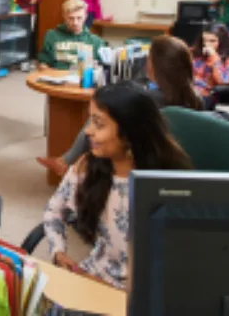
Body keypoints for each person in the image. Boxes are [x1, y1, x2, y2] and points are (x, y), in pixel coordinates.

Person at [43, 81, 192, 289]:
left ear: (130, 133)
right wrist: (58, 252)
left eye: (99, 123)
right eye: (90, 121)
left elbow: (183, 259)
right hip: (96, 276)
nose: (88, 131)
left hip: (148, 292)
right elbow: (53, 212)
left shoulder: (167, 181)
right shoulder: (87, 167)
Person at [37, 35, 204, 177]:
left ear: (154, 66)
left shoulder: (148, 99)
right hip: (179, 163)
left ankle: (66, 161)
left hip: (139, 159)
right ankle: (66, 161)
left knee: (103, 115)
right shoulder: (196, 98)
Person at [37, 0, 104, 70]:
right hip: (58, 78)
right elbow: (43, 64)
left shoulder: (96, 41)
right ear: (64, 17)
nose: (75, 23)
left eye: (79, 18)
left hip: (83, 79)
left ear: (85, 17)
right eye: (71, 18)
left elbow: (103, 68)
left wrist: (97, 68)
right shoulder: (51, 36)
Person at [192, 23, 229, 109]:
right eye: (204, 40)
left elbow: (224, 79)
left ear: (222, 41)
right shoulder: (197, 51)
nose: (207, 44)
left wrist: (214, 57)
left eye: (212, 41)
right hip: (188, 88)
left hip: (208, 94)